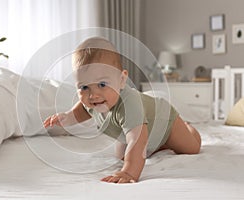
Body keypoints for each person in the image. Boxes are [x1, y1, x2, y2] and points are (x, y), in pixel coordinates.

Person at [43, 37, 201, 184]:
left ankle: (187, 127)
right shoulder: (92, 101)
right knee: (121, 156)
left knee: (192, 148)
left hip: (165, 122)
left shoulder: (128, 103)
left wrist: (129, 172)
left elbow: (137, 140)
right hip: (140, 130)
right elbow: (81, 110)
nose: (93, 95)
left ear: (122, 80)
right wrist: (66, 118)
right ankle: (158, 145)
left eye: (102, 84)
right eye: (84, 87)